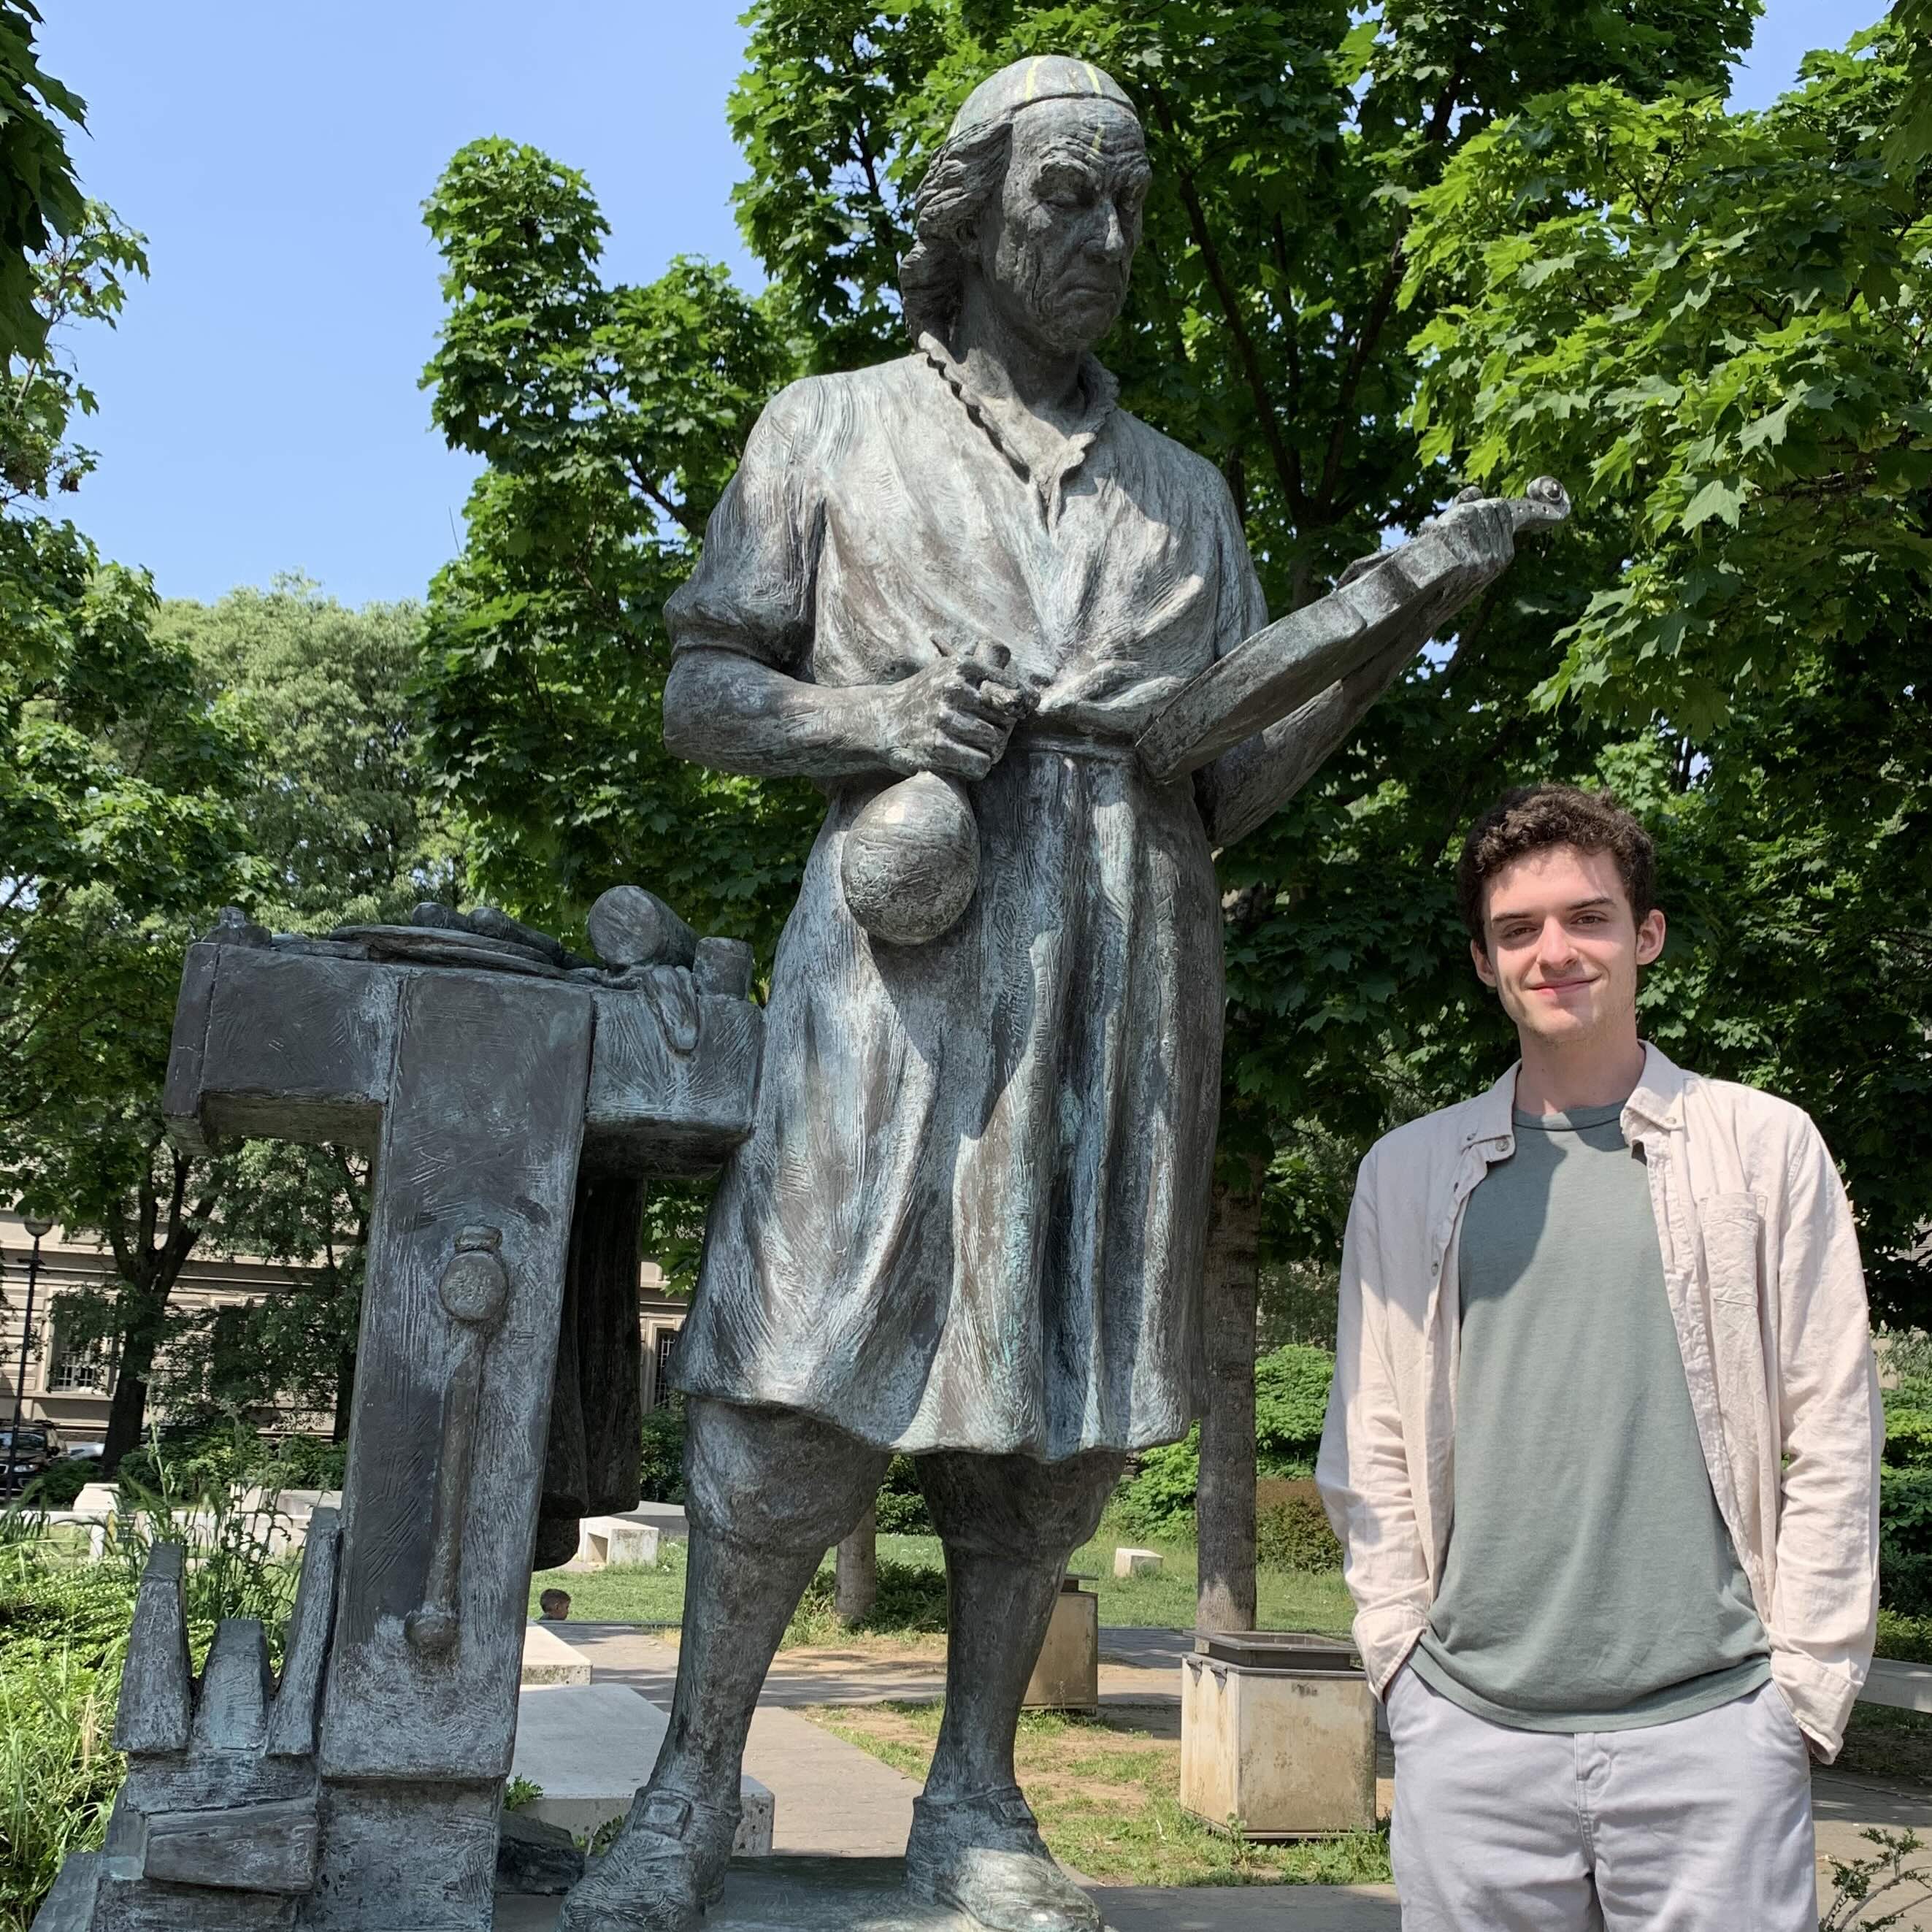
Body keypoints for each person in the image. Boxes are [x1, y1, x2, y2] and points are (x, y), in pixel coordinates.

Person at [560, 53, 1525, 1932]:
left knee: (1055, 1405)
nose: (1106, 236)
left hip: (1122, 973)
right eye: (1067, 197)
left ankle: (979, 1801)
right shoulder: (825, 430)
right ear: (972, 213)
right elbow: (700, 691)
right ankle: (682, 1793)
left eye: (1129, 207)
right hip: (898, 976)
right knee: (792, 1374)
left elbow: (1225, 778)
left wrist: (1386, 636)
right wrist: (869, 716)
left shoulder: (1187, 493)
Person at [1316, 783, 1882, 1929]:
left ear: (1645, 936)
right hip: (1470, 1730)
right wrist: (1399, 1666)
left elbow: (1829, 1419)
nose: (1553, 950)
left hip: (1714, 1727)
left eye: (1587, 917)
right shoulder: (1408, 1172)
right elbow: (1370, 1433)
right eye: (1517, 930)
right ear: (1483, 960)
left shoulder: (1761, 1147)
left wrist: (1800, 1691)